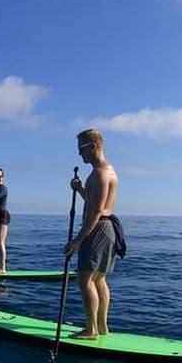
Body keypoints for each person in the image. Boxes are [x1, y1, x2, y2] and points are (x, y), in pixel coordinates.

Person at [63, 129, 123, 340]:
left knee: (84, 279)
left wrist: (78, 241)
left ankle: (91, 330)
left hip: (98, 228)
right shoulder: (108, 171)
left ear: (93, 146)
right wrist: (80, 189)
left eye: (81, 149)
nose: (80, 155)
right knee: (99, 279)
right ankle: (102, 327)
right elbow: (96, 202)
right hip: (106, 229)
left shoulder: (100, 173)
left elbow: (97, 211)